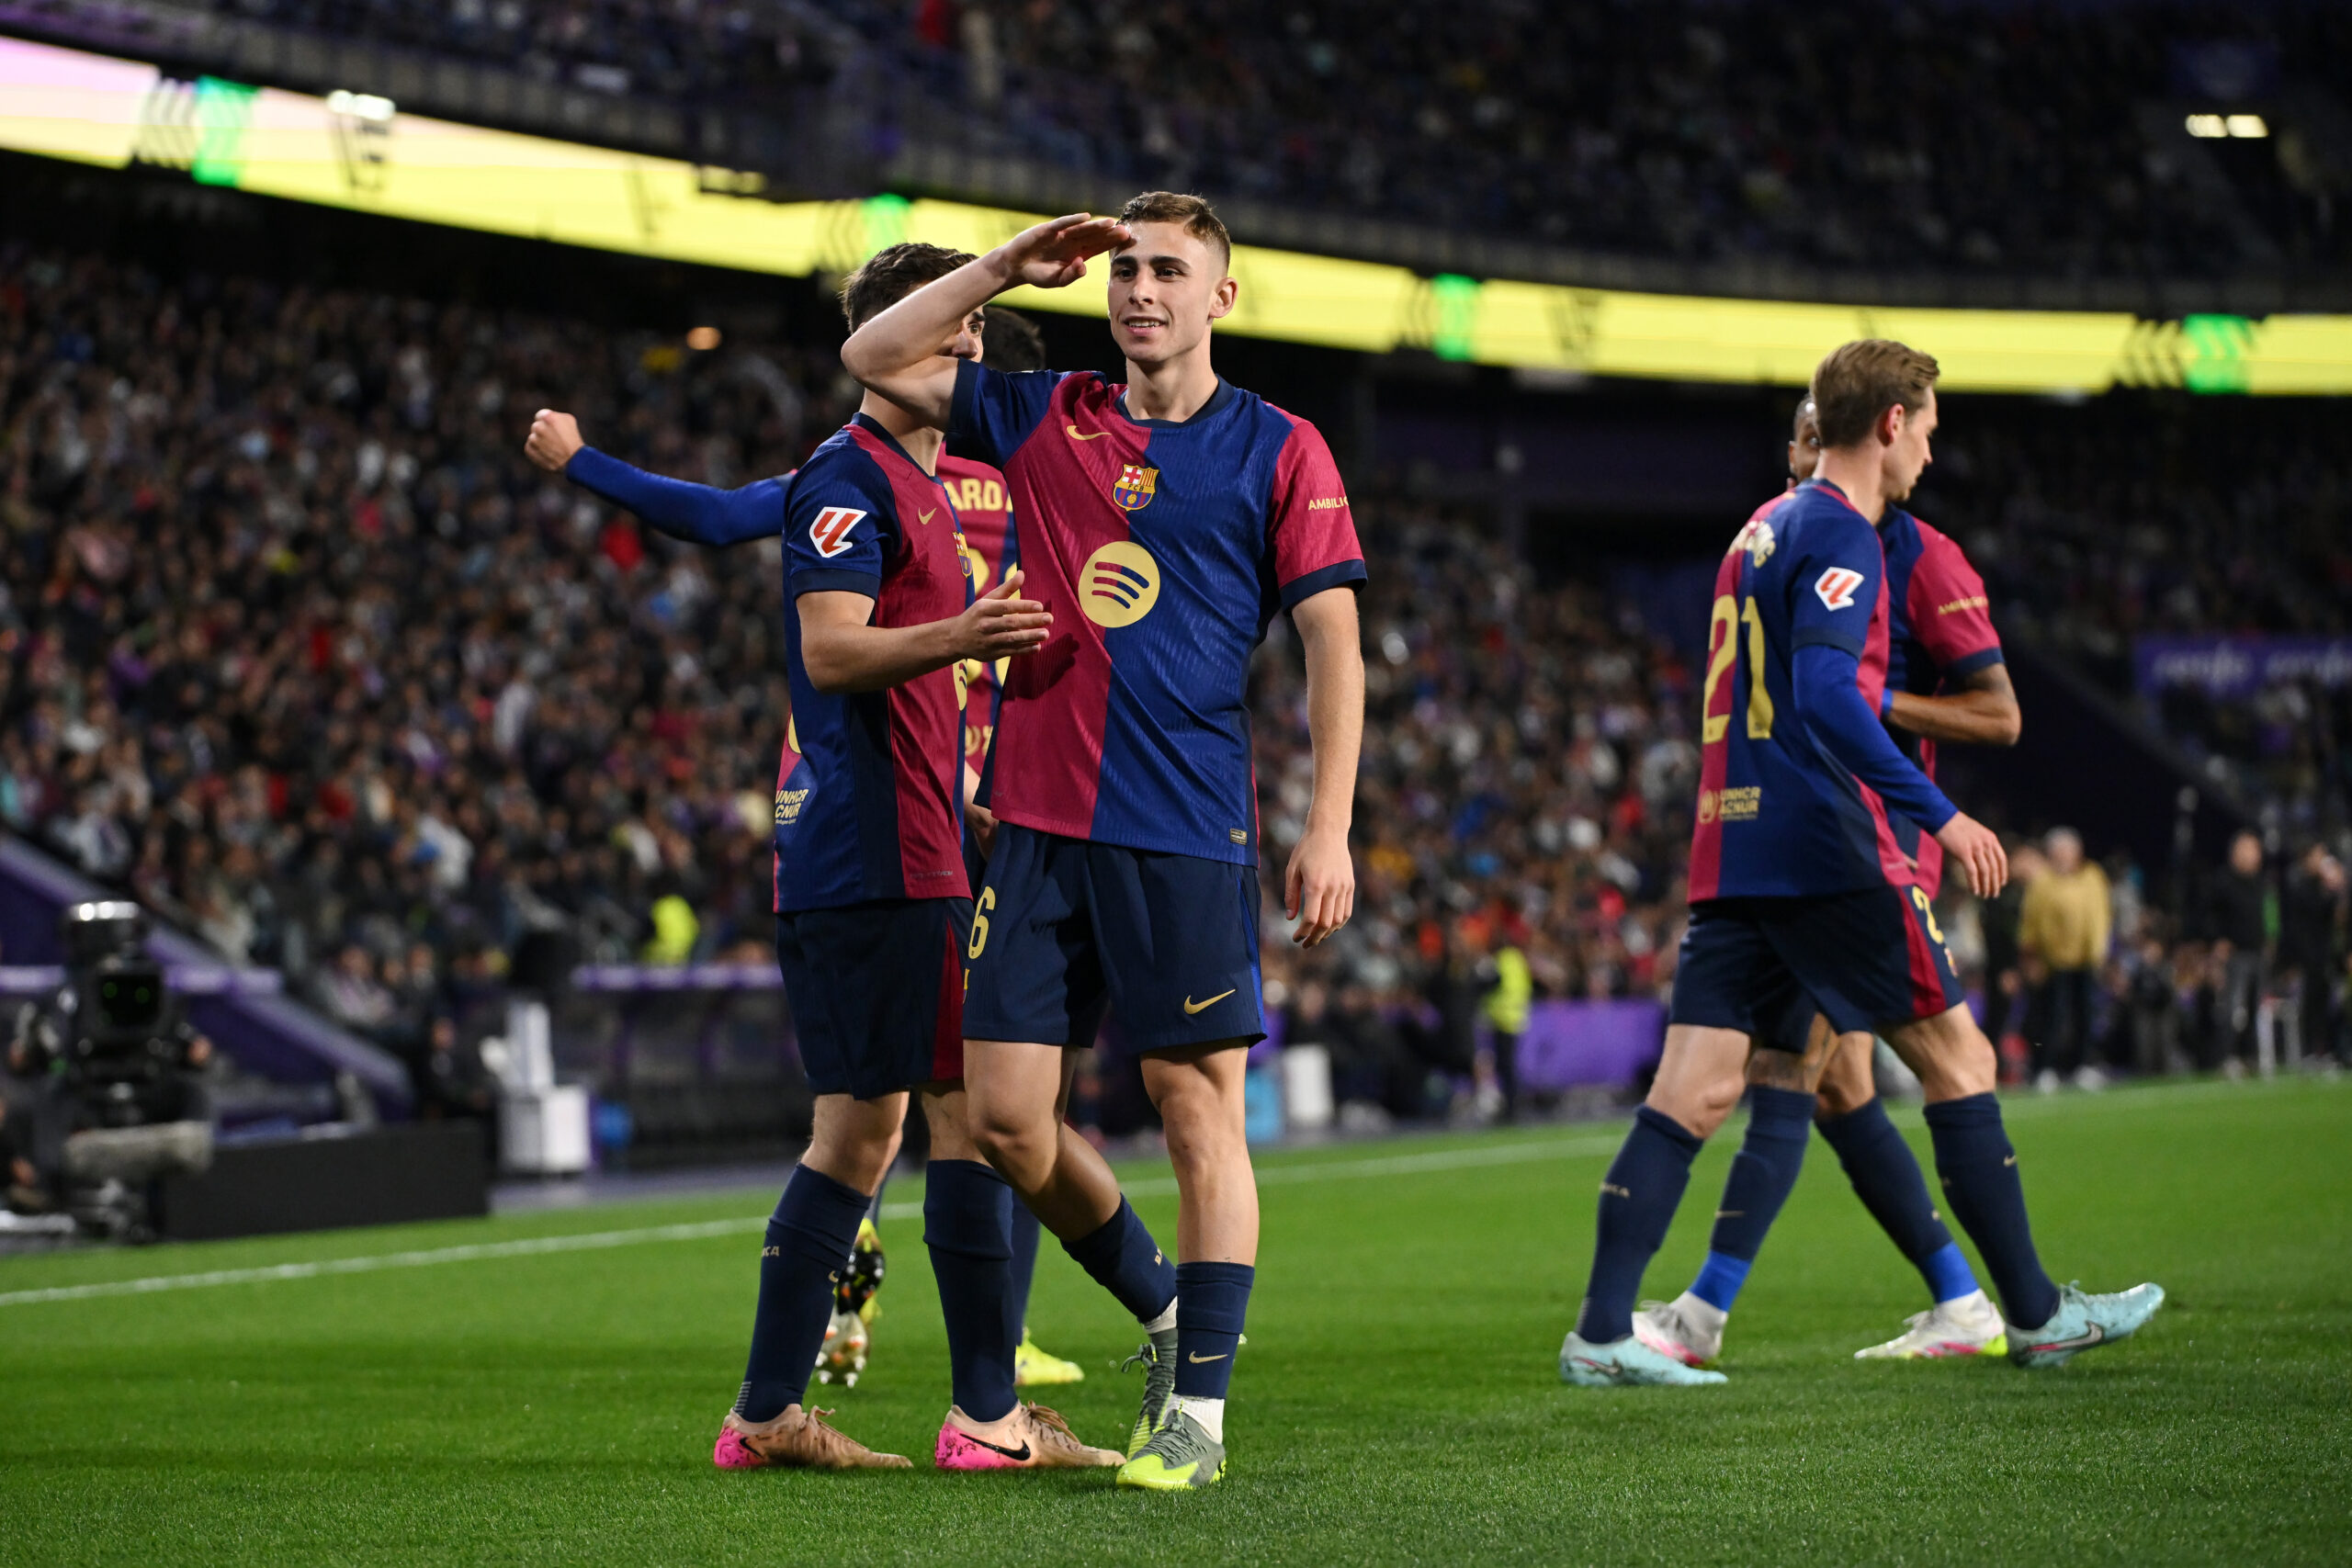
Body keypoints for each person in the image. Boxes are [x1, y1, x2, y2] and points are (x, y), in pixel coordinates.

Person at [841, 196, 1367, 1489]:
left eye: (1169, 270)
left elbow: (1333, 641)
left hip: (1183, 827)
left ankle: (1199, 1415)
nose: (1140, 289)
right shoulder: (1045, 410)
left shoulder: (1279, 446)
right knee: (1008, 1119)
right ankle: (1169, 1304)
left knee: (1199, 1112)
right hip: (1031, 821)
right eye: (1127, 268)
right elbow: (873, 358)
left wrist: (1331, 825)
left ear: (1219, 299)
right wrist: (1008, 265)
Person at [1560, 338, 2162, 1388]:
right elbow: (1831, 695)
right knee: (1957, 1063)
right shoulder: (1845, 534)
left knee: (1693, 1092)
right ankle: (2030, 1313)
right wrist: (1941, 814)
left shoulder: (1756, 530)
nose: (1929, 451)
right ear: (1889, 423)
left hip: (1730, 841)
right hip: (1828, 849)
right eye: (1926, 428)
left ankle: (1605, 1331)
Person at [526, 306, 1086, 1393]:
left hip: (855, 789)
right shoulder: (1005, 487)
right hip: (961, 795)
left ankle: (851, 1306)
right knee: (994, 1095)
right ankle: (996, 1351)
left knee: (880, 1094)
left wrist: (582, 460)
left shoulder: (863, 473)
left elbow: (714, 514)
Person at [1635, 390, 2026, 1366]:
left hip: (1869, 848)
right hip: (1814, 839)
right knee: (1837, 1084)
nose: (1803, 454)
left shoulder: (1921, 558)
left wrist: (1873, 698)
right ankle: (1963, 1298)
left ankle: (1701, 1313)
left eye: (1819, 437)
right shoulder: (1800, 541)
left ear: (1866, 436)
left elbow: (1999, 716)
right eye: (1795, 438)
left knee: (1794, 1071)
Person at [2018, 828, 2112, 1090]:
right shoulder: (2043, 881)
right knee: (2051, 1017)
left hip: (2086, 958)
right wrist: (2031, 956)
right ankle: (2045, 1068)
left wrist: (2100, 950)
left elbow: (2101, 915)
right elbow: (2030, 921)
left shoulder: (2092, 876)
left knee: (2085, 1015)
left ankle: (2081, 1066)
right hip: (2053, 960)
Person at [2205, 831, 2272, 1075]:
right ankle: (2225, 1056)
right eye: (2246, 849)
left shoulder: (2260, 883)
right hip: (2235, 955)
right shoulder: (2223, 881)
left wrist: (2270, 940)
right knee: (2232, 1008)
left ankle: (2248, 1055)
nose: (2252, 855)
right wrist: (2218, 941)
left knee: (2255, 1008)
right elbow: (2210, 915)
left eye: (2254, 850)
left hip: (2257, 953)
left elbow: (2268, 915)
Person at [2280, 842, 2345, 1065]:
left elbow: (2333, 915)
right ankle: (2308, 1052)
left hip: (2325, 956)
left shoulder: (2324, 886)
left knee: (2325, 1005)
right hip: (2307, 957)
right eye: (2318, 855)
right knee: (2309, 1006)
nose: (2321, 860)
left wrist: (2335, 889)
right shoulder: (2298, 884)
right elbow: (2298, 923)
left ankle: (2324, 1051)